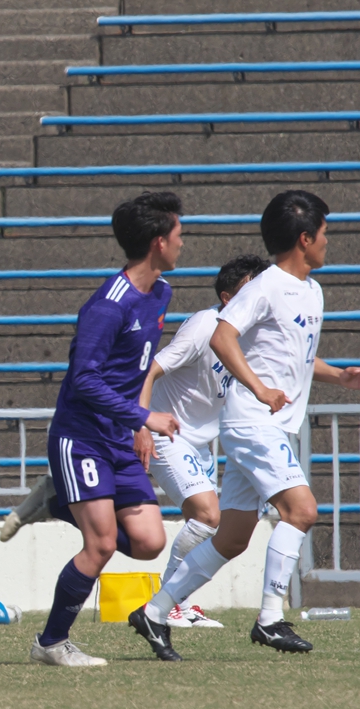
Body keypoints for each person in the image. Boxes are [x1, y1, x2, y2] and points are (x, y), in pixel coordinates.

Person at [129, 190, 360, 661]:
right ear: (305, 238)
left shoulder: (312, 290)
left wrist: (340, 375)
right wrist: (260, 389)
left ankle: (155, 612)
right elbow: (222, 337)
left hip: (271, 425)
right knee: (301, 511)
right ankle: (269, 619)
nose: (328, 240)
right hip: (251, 422)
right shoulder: (264, 286)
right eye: (324, 232)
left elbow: (295, 357)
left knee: (232, 537)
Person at [24, 192, 184, 667]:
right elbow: (84, 380)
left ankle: (56, 503)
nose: (183, 243)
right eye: (178, 235)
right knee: (101, 545)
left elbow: (136, 368)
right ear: (158, 242)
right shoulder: (108, 306)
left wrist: (137, 421)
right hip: (82, 439)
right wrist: (143, 417)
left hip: (119, 436)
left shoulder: (161, 292)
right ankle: (51, 643)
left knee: (150, 542)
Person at [132, 254, 271, 630]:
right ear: (228, 298)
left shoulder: (251, 333)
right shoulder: (204, 326)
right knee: (209, 515)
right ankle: (164, 606)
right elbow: (149, 370)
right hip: (167, 432)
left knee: (206, 525)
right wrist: (141, 423)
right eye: (251, 288)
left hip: (200, 443)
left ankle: (177, 603)